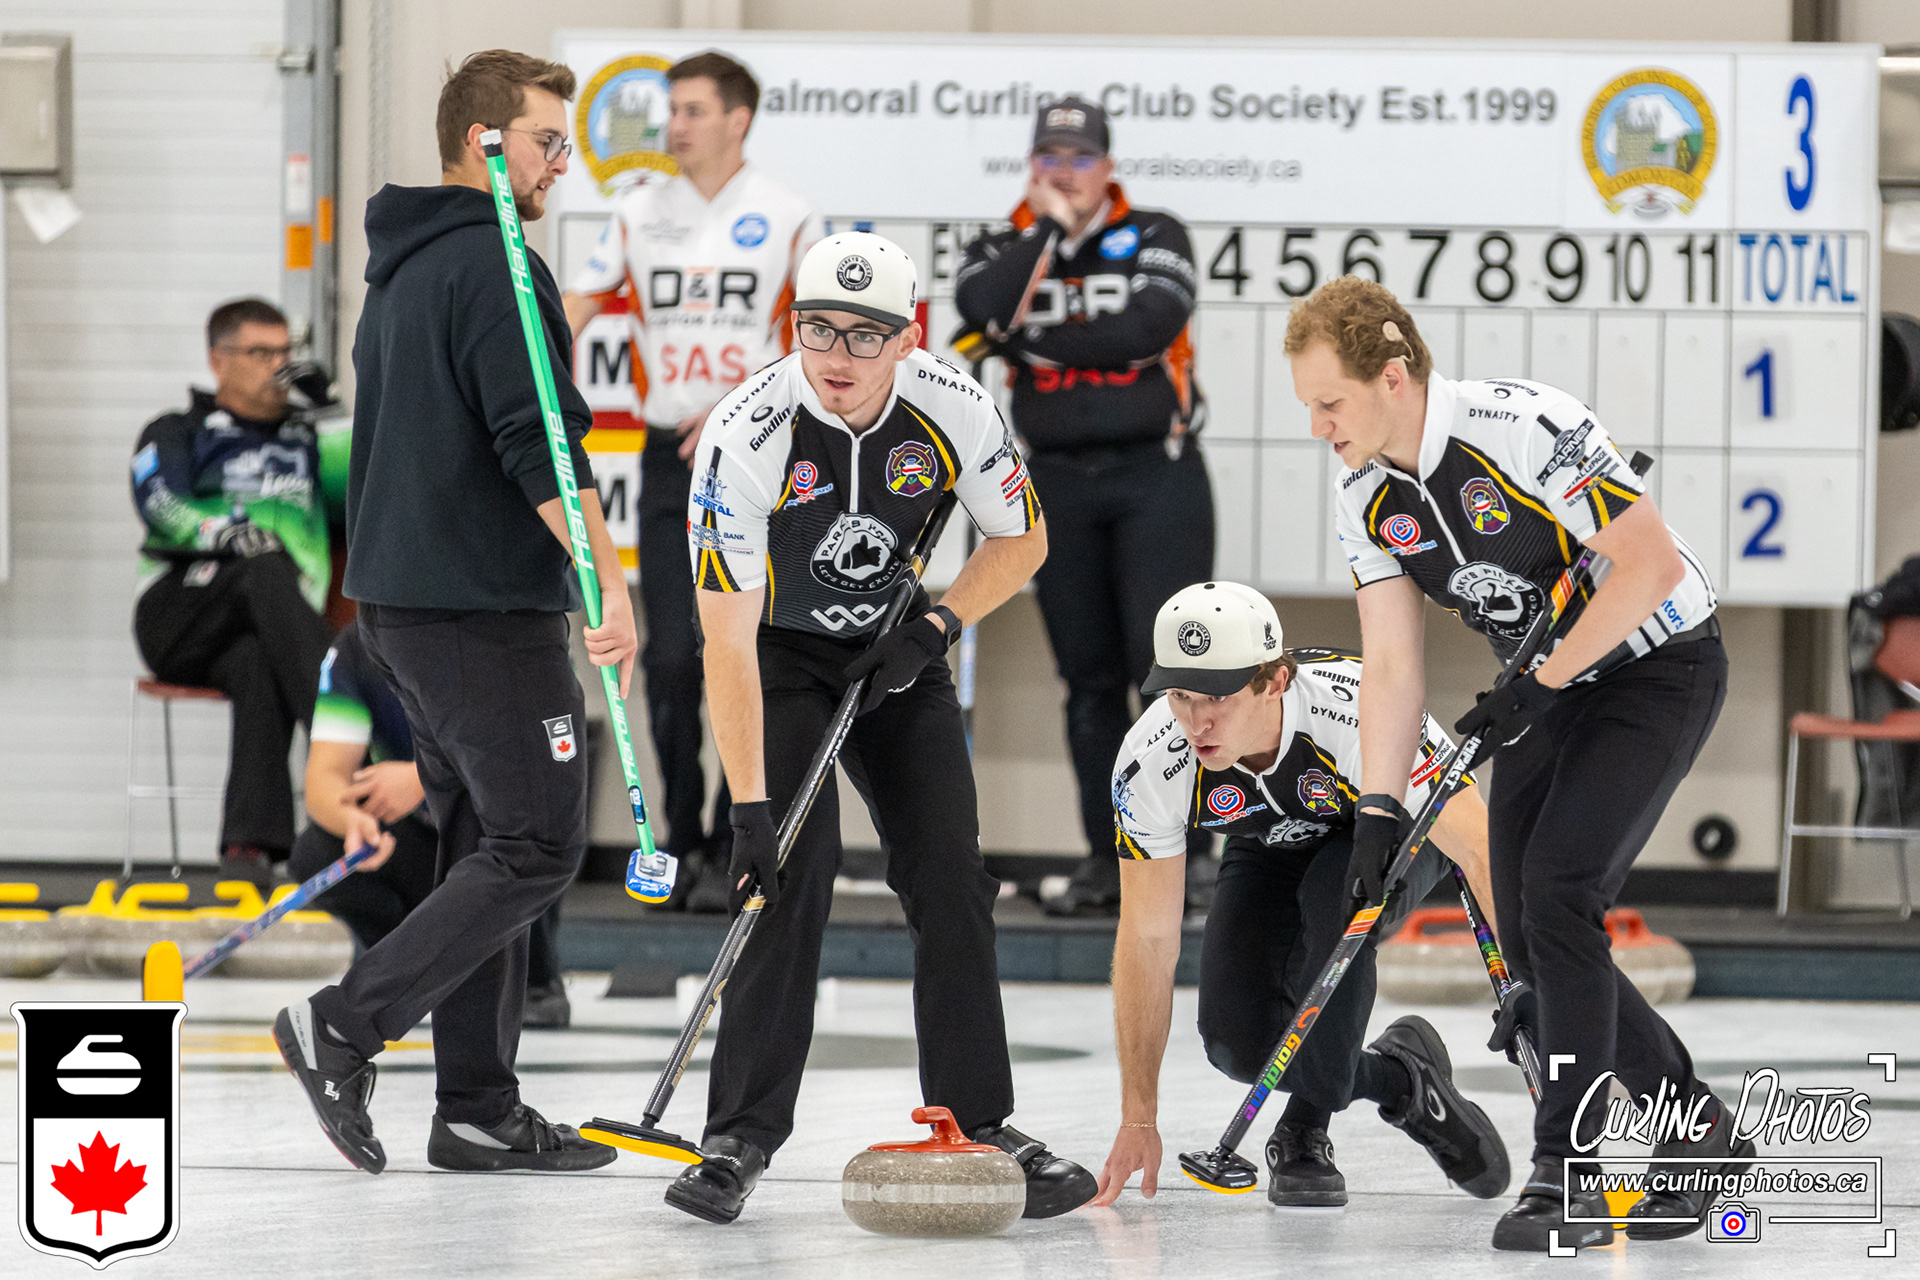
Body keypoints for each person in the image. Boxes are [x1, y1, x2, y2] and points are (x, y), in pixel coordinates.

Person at [1290, 276, 1740, 1252]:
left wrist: (1544, 679)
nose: (1317, 426)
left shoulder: (1525, 426)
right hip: (1545, 684)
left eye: (1329, 402)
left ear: (1393, 376)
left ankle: (1565, 1169)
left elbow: (1650, 564)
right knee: (1528, 930)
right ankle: (1698, 1125)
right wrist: (1377, 810)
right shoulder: (1363, 488)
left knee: (1560, 891)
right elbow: (1393, 662)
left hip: (1656, 665)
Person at [665, 230, 1091, 1225]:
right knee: (788, 876)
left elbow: (1023, 537)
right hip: (779, 656)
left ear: (910, 337)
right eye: (818, 328)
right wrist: (749, 810)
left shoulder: (954, 405)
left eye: (866, 334)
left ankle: (980, 1122)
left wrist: (938, 626)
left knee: (949, 873)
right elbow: (724, 641)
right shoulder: (746, 434)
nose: (839, 355)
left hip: (897, 647)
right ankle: (738, 1136)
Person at [272, 49, 632, 1177]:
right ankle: (343, 1023)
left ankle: (476, 1107)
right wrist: (608, 584)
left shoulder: (409, 262)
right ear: (485, 141)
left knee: (485, 834)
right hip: (479, 612)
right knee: (537, 842)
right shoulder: (497, 264)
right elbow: (543, 447)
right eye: (546, 142)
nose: (560, 164)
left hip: (408, 609)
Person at [1091, 581, 1509, 1209]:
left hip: (1392, 825)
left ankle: (1303, 1132)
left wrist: (1530, 983)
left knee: (1336, 906)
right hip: (1271, 840)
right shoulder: (1149, 762)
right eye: (1179, 696)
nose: (1196, 723)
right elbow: (1147, 939)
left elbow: (1480, 850)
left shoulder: (1360, 707)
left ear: (1276, 681)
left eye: (1217, 697)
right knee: (1237, 1047)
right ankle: (1402, 1080)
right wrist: (1138, 1115)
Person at [564, 50, 822, 909]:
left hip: (769, 455)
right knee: (673, 658)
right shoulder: (638, 211)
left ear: (738, 119)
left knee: (747, 650)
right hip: (669, 457)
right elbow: (574, 307)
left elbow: (822, 336)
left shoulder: (788, 214)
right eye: (670, 110)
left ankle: (731, 836)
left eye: (693, 110)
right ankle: (677, 836)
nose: (674, 125)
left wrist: (738, 407)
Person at [954, 97, 1213, 918]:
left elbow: (1148, 328)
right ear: (1032, 166)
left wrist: (1026, 342)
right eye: (1050, 158)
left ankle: (1194, 857)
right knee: (1088, 681)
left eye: (1079, 158)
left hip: (1155, 476)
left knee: (1170, 669)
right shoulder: (1005, 241)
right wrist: (1045, 236)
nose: (1064, 173)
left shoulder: (1157, 232)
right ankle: (1111, 858)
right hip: (1055, 483)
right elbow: (977, 311)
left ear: (1108, 166)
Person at [131, 297, 336, 890]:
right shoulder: (177, 431)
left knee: (258, 661)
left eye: (286, 352)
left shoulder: (308, 439)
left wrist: (330, 409)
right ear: (218, 361)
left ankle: (247, 855)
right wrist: (224, 532)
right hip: (179, 611)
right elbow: (158, 502)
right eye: (260, 352)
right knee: (262, 566)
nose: (278, 366)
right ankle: (350, 750)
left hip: (272, 623)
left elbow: (375, 487)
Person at [294, 620, 572, 1029]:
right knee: (317, 852)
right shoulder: (357, 647)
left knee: (517, 836)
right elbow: (324, 777)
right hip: (423, 836)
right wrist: (352, 821)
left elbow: (531, 756)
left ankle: (536, 983)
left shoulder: (499, 633)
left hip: (497, 832)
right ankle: (408, 973)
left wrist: (422, 778)